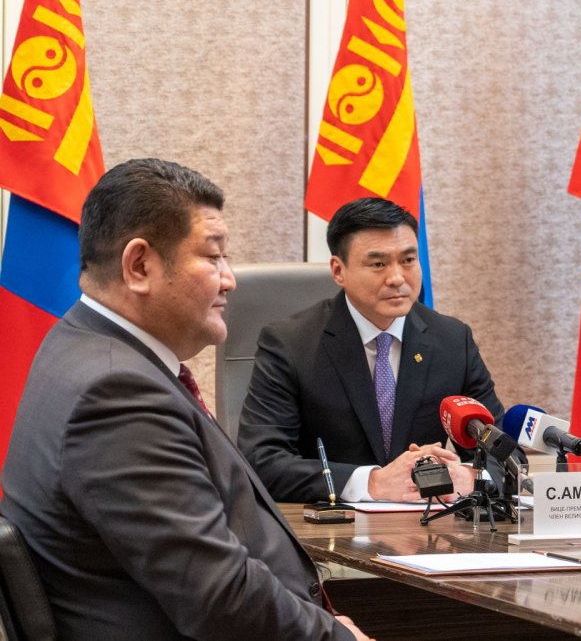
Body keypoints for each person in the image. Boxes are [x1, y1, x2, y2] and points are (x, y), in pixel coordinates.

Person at [0, 159, 369, 639]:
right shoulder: (116, 394)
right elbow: (219, 597)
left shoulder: (78, 343)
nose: (229, 279)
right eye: (213, 257)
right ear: (140, 266)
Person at [238, 197, 504, 503]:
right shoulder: (290, 343)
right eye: (378, 264)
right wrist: (372, 482)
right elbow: (262, 461)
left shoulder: (453, 341)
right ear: (338, 270)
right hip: (330, 524)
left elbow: (505, 457)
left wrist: (470, 477)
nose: (397, 278)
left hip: (428, 523)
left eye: (408, 260)